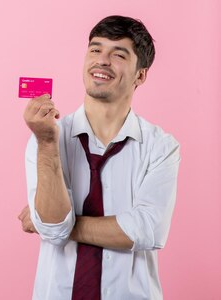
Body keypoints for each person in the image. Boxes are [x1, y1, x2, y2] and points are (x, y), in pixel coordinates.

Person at [18, 16, 180, 300]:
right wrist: (46, 142)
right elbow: (54, 228)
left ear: (140, 75)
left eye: (118, 54)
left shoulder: (161, 147)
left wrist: (57, 225)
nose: (102, 60)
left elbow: (146, 229)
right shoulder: (47, 138)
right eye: (95, 50)